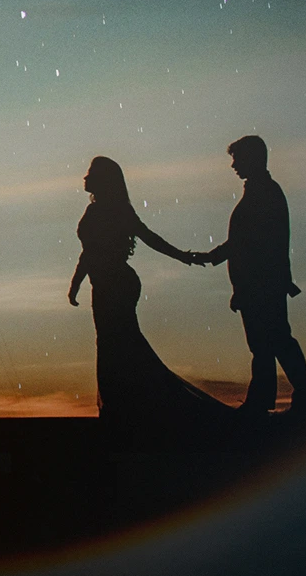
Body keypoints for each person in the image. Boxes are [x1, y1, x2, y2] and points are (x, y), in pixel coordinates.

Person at [68, 155, 231, 431]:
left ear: (103, 180)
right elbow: (89, 253)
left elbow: (149, 237)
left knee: (116, 344)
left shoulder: (118, 211)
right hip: (105, 285)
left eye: (90, 173)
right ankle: (124, 405)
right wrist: (76, 283)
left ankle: (123, 408)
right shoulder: (96, 211)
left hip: (117, 285)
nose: (84, 177)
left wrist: (183, 256)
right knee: (115, 344)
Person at [192, 136, 306, 422]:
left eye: (237, 159)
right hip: (260, 284)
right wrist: (214, 257)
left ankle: (278, 401)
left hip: (261, 284)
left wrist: (222, 263)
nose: (233, 165)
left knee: (272, 343)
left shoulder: (265, 194)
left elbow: (254, 245)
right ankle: (275, 400)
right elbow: (242, 242)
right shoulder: (262, 192)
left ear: (252, 159)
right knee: (269, 343)